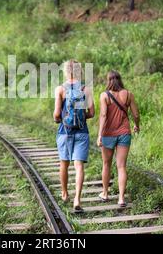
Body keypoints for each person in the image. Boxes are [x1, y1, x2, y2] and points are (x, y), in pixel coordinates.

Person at [53, 60, 95, 213]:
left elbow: (56, 114)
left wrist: (61, 119)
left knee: (64, 163)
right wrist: (81, 118)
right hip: (82, 132)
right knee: (79, 166)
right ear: (79, 71)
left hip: (65, 131)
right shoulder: (86, 89)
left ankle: (64, 194)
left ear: (65, 71)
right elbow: (91, 113)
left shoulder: (60, 89)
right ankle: (77, 199)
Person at [97, 71, 140, 207]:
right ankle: (121, 198)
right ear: (120, 80)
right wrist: (136, 125)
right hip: (124, 133)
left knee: (106, 164)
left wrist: (99, 135)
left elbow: (103, 116)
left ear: (108, 80)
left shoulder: (104, 95)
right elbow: (136, 114)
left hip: (108, 134)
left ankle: (105, 193)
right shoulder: (128, 94)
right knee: (121, 166)